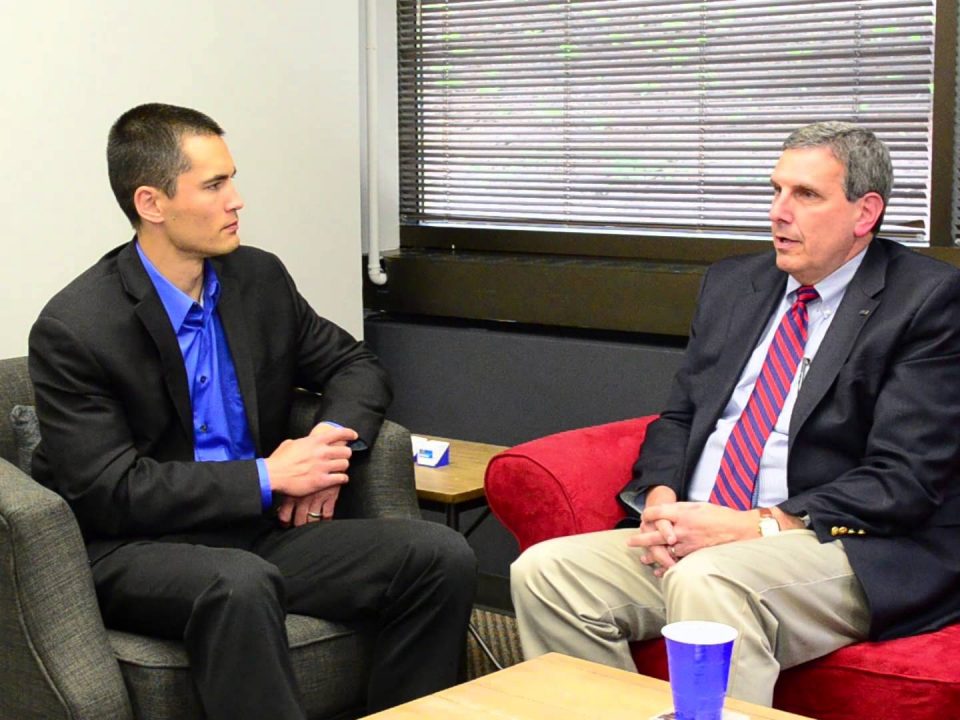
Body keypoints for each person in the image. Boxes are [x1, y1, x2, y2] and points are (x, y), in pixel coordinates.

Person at [28, 102, 477, 719]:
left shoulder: (257, 279)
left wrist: (325, 447)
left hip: (255, 533)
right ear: (151, 203)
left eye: (232, 180)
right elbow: (110, 491)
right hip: (134, 547)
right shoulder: (77, 328)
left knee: (438, 556)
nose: (236, 200)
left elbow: (355, 365)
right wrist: (269, 476)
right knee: (238, 582)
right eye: (214, 185)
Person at [511, 121, 960, 706]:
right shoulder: (734, 284)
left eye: (806, 195)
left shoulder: (926, 300)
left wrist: (756, 526)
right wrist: (661, 501)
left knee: (709, 579)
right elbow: (680, 417)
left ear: (865, 212)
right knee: (546, 573)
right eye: (776, 190)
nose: (778, 212)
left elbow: (904, 478)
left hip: (837, 541)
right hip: (703, 530)